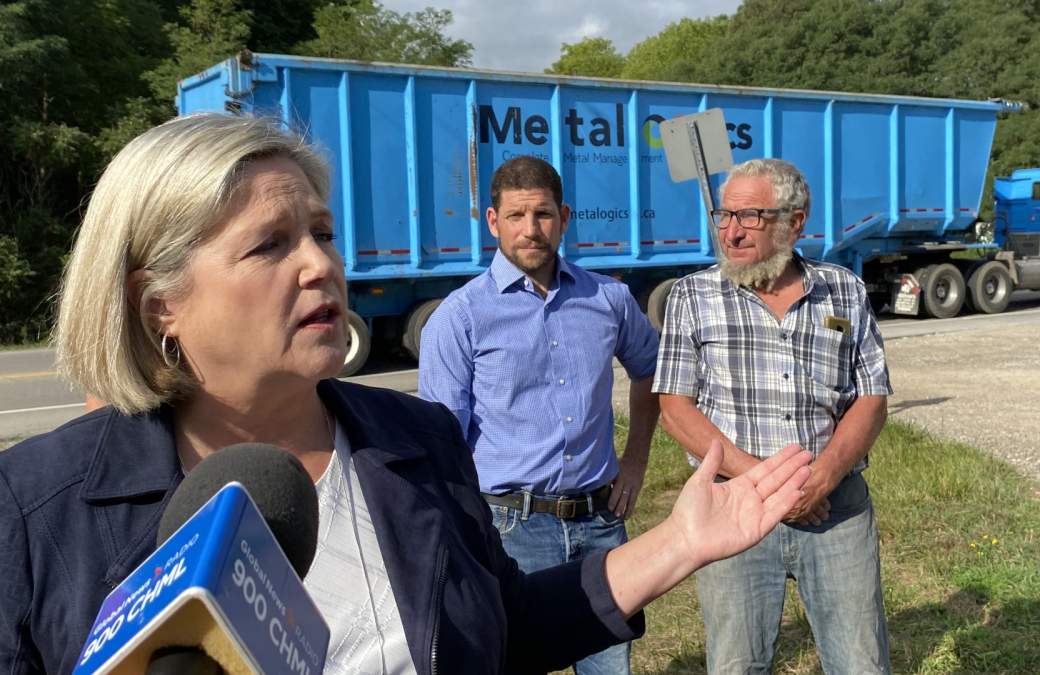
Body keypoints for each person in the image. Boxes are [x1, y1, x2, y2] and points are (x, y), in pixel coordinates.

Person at [0, 114, 816, 675]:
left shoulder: (419, 441)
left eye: (320, 232)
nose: (321, 264)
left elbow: (504, 630)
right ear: (159, 304)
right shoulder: (35, 512)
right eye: (270, 245)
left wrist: (676, 542)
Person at [418, 156, 658, 674]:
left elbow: (653, 372)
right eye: (517, 216)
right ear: (492, 221)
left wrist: (635, 462)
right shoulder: (460, 318)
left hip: (600, 522)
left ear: (565, 217)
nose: (531, 230)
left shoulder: (609, 299)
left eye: (544, 215)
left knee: (609, 667)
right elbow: (443, 444)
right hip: (511, 530)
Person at [654, 158, 893, 674]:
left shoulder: (843, 291)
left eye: (751, 217)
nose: (731, 232)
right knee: (736, 664)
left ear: (795, 222)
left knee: (860, 662)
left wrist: (823, 477)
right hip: (735, 505)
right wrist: (769, 484)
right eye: (724, 216)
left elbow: (871, 398)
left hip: (835, 509)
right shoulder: (693, 297)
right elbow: (674, 408)